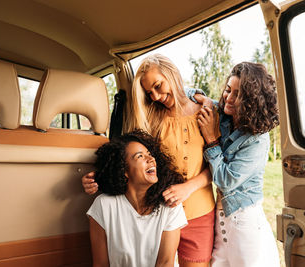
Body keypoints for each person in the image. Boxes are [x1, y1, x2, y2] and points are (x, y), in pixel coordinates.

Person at [83, 54, 217, 266]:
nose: (155, 96)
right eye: (149, 92)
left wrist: (188, 188)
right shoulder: (151, 119)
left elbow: (217, 165)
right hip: (159, 212)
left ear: (171, 74)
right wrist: (98, 179)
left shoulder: (207, 112)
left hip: (199, 212)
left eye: (158, 86)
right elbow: (128, 162)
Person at [196, 62, 280, 267]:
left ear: (252, 101)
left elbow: (225, 180)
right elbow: (188, 93)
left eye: (238, 94)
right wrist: (203, 98)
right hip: (221, 219)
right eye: (227, 90)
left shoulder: (258, 139)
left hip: (245, 223)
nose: (229, 98)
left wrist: (211, 140)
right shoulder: (224, 117)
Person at [87, 130, 187, 267]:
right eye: (140, 156)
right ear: (124, 170)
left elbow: (165, 263)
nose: (151, 159)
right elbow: (100, 264)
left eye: (150, 154)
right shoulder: (104, 206)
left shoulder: (170, 205)